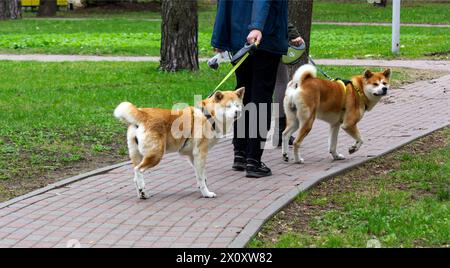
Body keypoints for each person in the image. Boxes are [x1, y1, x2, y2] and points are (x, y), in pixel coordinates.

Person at [211, 0, 288, 178]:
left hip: (240, 38)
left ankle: (240, 153)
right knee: (260, 97)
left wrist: (219, 39)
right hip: (264, 39)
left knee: (243, 95)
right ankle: (253, 159)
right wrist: (257, 27)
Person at [274, 24, 305, 147]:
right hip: (269, 39)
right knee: (280, 81)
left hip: (240, 40)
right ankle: (280, 131)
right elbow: (277, 10)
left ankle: (244, 135)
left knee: (250, 83)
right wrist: (293, 34)